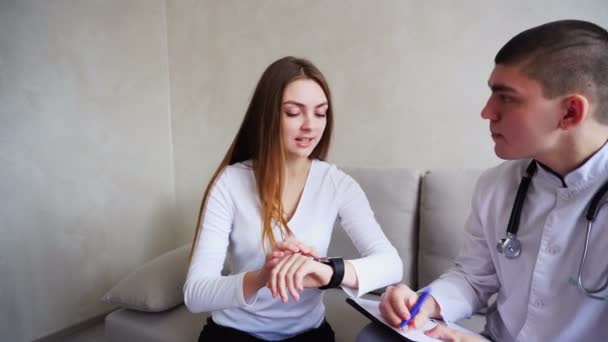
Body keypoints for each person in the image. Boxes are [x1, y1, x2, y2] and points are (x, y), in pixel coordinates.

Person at [379, 19, 608, 342]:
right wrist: (428, 302)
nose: (487, 112)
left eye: (507, 98)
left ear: (570, 112)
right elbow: (473, 277)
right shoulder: (498, 185)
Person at [184, 56, 402, 341]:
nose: (310, 125)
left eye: (320, 113)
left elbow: (391, 264)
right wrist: (264, 275)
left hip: (307, 334)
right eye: (293, 113)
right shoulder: (230, 182)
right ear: (268, 115)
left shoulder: (337, 184)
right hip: (234, 332)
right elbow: (195, 293)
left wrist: (326, 271)